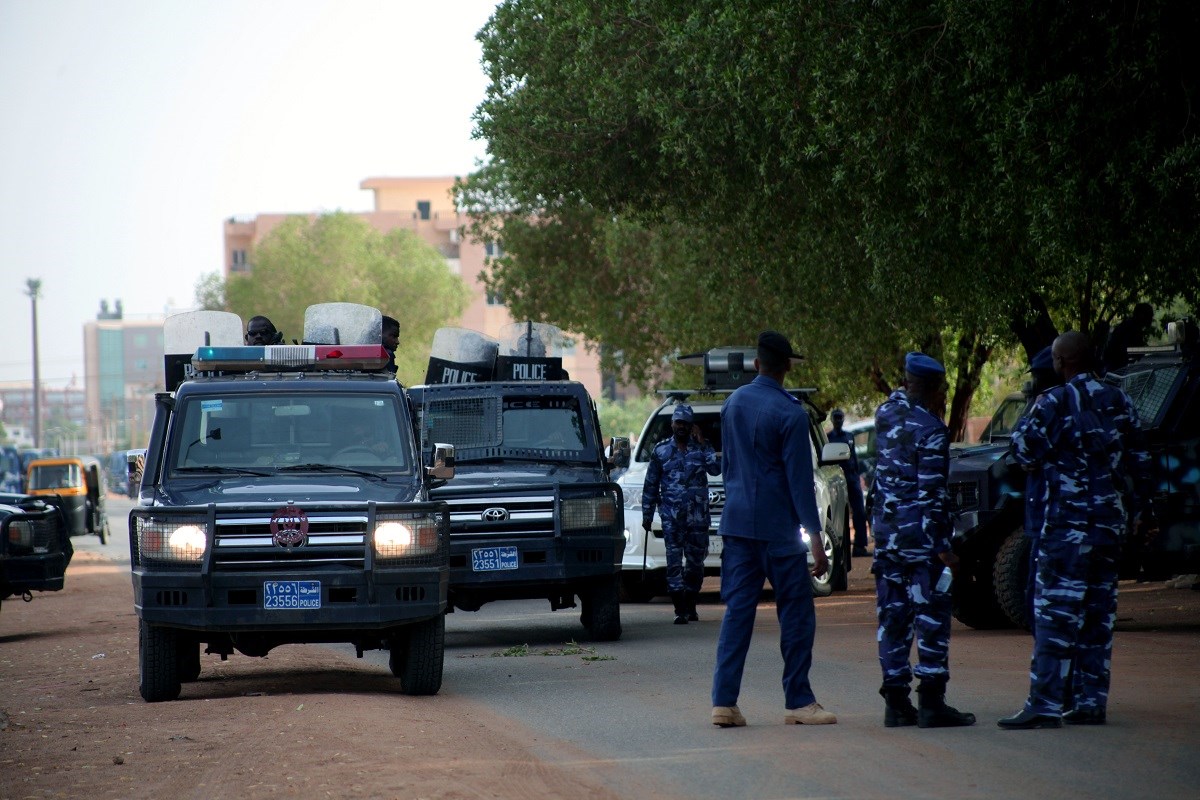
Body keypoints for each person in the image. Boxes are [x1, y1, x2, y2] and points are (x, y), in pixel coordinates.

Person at [999, 331, 1155, 729]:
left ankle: (1046, 705)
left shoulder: (1053, 402)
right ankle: (1090, 702)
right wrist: (1142, 513)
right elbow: (1141, 460)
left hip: (1068, 529)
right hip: (1108, 528)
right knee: (1097, 617)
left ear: (1061, 362)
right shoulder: (1120, 400)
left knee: (1055, 615)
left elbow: (1021, 452)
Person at [711, 330, 836, 728]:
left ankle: (724, 703)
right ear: (787, 368)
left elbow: (729, 468)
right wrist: (815, 539)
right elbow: (800, 483)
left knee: (738, 614)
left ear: (755, 364)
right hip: (778, 529)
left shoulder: (732, 404)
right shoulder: (791, 414)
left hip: (737, 524)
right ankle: (799, 701)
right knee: (797, 613)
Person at [871, 352, 975, 729]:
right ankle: (931, 702)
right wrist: (945, 549)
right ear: (932, 388)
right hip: (921, 541)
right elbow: (932, 494)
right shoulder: (931, 428)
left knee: (892, 617)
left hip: (887, 536)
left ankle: (896, 703)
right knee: (930, 618)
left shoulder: (884, 415)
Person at [641, 404, 721, 624]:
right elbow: (650, 485)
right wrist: (647, 514)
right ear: (672, 424)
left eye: (686, 423)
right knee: (674, 563)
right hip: (671, 518)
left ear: (691, 425)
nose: (682, 427)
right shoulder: (661, 450)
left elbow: (716, 470)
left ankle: (691, 604)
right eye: (678, 422)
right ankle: (680, 610)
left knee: (695, 565)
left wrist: (704, 443)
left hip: (697, 518)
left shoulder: (702, 449)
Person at [1021, 345, 1063, 631]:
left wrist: (1029, 408)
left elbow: (1023, 449)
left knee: (1042, 610)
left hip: (1052, 520)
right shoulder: (1110, 398)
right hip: (1101, 525)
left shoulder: (1048, 405)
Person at [827, 409, 869, 557]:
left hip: (851, 478)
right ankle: (840, 548)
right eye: (836, 418)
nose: (838, 420)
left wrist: (857, 475)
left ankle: (860, 546)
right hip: (837, 479)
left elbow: (854, 458)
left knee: (859, 512)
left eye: (840, 418)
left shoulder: (849, 436)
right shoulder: (828, 438)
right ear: (832, 419)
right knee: (839, 514)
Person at [1102, 302, 1154, 372]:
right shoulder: (1131, 328)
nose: (1151, 319)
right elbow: (1126, 350)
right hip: (1117, 367)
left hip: (1118, 366)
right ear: (1141, 315)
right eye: (1149, 316)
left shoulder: (1130, 326)